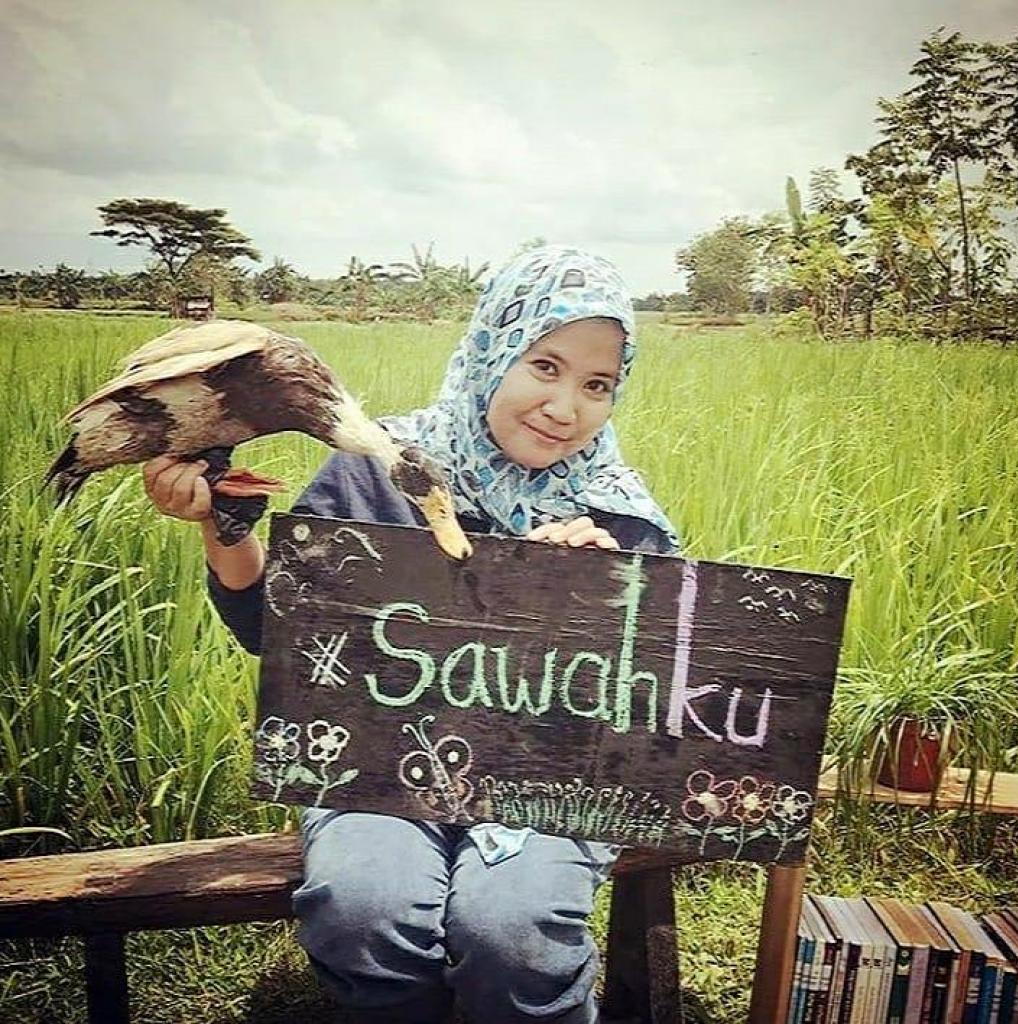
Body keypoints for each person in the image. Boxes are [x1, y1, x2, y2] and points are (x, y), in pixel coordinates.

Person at [141, 245, 680, 1024]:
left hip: (548, 783)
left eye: (597, 384)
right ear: (492, 349)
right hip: (376, 764)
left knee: (512, 930)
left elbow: (642, 707)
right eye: (544, 366)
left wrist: (593, 599)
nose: (566, 407)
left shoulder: (618, 516)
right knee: (365, 907)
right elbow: (275, 631)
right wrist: (224, 523)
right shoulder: (377, 470)